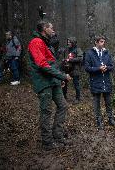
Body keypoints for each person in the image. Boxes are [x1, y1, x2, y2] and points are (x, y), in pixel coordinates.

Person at [28, 20, 72, 151]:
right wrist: (62, 76)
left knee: (63, 106)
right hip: (43, 82)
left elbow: (52, 63)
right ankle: (47, 142)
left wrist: (58, 79)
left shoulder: (46, 43)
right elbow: (42, 65)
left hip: (53, 81)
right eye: (51, 28)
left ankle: (57, 135)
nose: (53, 30)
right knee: (46, 111)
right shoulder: (36, 42)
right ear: (44, 29)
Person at [84, 35, 115, 130]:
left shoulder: (107, 52)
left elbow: (112, 66)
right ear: (96, 42)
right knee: (96, 103)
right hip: (95, 82)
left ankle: (110, 118)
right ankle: (99, 120)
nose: (103, 43)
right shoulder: (89, 53)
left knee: (108, 102)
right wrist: (98, 68)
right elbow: (87, 68)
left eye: (103, 41)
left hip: (106, 81)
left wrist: (107, 68)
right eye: (101, 41)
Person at [60, 37, 83, 104]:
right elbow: (65, 58)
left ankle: (78, 98)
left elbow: (80, 58)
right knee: (64, 82)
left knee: (76, 84)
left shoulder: (78, 50)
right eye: (68, 42)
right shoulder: (67, 50)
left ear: (73, 43)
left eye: (69, 42)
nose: (68, 43)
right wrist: (64, 61)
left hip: (75, 69)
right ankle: (64, 97)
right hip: (67, 69)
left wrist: (70, 60)